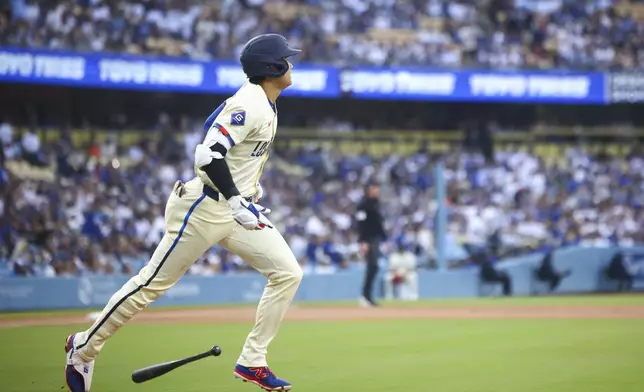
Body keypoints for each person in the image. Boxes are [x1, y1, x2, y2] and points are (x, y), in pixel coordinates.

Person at [64, 34, 302, 392]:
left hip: (233, 207)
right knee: (150, 284)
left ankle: (253, 361)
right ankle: (83, 348)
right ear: (273, 68)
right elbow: (207, 155)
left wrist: (248, 191)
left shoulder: (264, 101)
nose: (292, 63)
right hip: (204, 207)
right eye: (287, 59)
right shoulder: (251, 102)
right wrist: (237, 199)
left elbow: (220, 138)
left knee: (288, 273)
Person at [355, 182, 386, 307]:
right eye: (374, 188)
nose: (377, 190)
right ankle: (365, 295)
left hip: (376, 238)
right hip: (368, 239)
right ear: (368, 189)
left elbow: (378, 223)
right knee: (372, 265)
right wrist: (363, 241)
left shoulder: (376, 203)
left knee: (374, 266)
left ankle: (367, 295)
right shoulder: (364, 205)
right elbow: (361, 225)